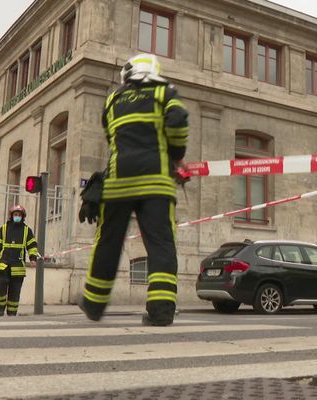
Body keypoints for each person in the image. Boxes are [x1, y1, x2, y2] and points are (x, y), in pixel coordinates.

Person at [78, 53, 189, 326]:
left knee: (108, 241)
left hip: (119, 182)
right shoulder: (165, 92)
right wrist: (176, 155)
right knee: (161, 243)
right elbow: (178, 121)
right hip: (156, 182)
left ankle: (93, 303)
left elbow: (111, 136)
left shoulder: (112, 100)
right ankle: (161, 311)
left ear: (127, 75)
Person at [0, 204, 38, 316]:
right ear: (11, 216)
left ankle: (12, 312)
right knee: (0, 284)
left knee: (15, 291)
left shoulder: (27, 231)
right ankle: (0, 309)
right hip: (4, 264)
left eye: (19, 215)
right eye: (15, 214)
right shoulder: (4, 228)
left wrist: (33, 258)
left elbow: (32, 245)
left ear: (23, 216)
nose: (17, 216)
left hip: (18, 266)